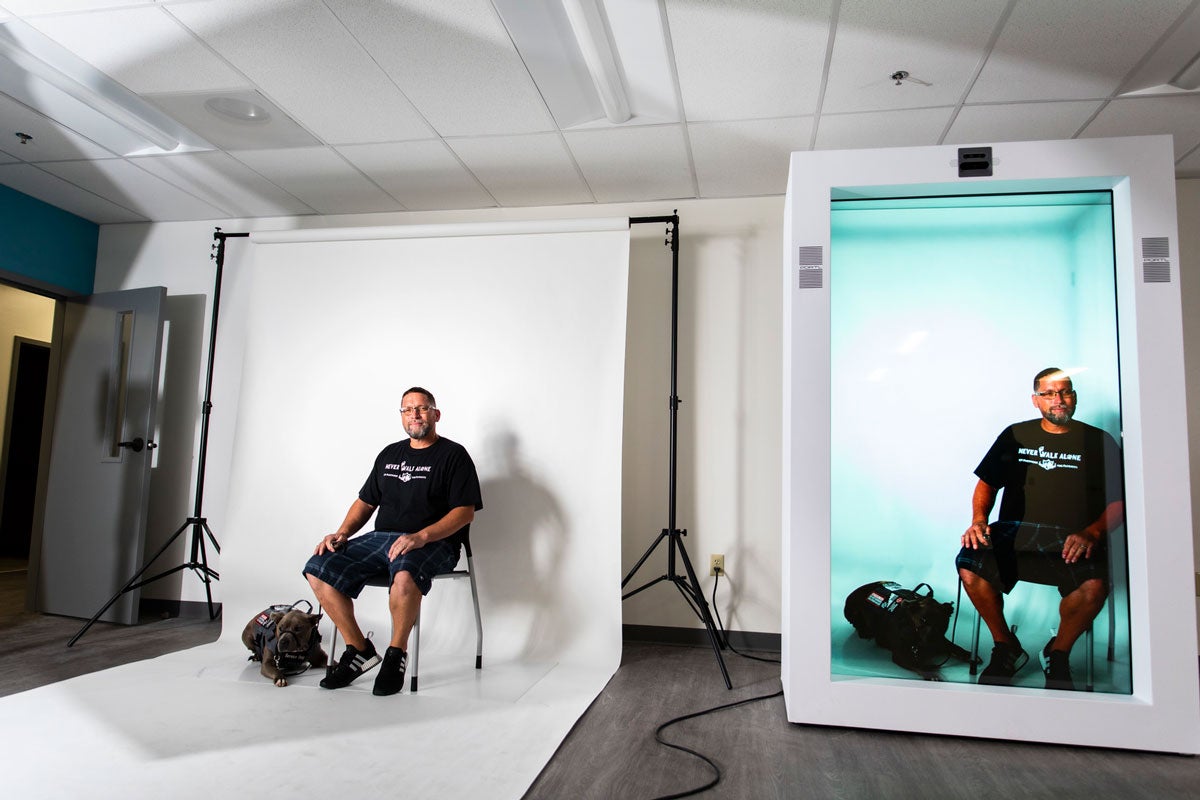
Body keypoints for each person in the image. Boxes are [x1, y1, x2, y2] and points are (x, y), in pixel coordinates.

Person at [304, 387, 483, 696]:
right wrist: (342, 532)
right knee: (318, 566)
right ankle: (358, 649)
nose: (415, 414)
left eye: (422, 408)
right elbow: (365, 502)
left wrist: (422, 535)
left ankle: (395, 654)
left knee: (404, 575)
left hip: (434, 542)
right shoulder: (389, 454)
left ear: (436, 415)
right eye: (407, 409)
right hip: (381, 539)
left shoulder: (454, 456)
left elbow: (464, 513)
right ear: (402, 417)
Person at [956, 368, 1123, 691]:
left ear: (1074, 397)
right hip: (1015, 533)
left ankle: (1057, 652)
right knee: (970, 565)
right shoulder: (1016, 434)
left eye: (1065, 392)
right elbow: (986, 484)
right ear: (1035, 401)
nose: (1058, 400)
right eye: (1049, 393)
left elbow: (1119, 501)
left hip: (1072, 539)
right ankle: (1007, 647)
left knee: (1094, 588)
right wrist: (978, 521)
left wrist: (1093, 532)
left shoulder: (1098, 441)